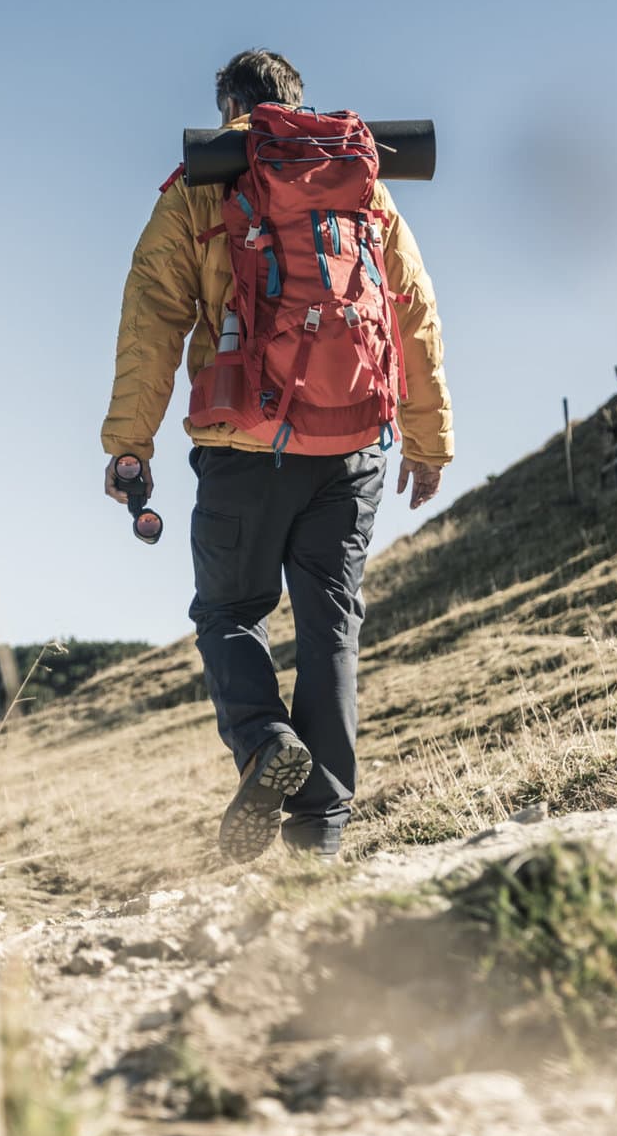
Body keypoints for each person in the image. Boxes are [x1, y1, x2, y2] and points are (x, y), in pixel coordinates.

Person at [99, 50, 455, 862]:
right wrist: (429, 440)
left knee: (230, 613)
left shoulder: (197, 187)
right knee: (331, 622)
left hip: (245, 444)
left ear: (228, 104)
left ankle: (265, 741)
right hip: (355, 442)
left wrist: (129, 446)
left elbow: (151, 319)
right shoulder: (360, 181)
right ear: (297, 100)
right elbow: (412, 308)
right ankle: (319, 836)